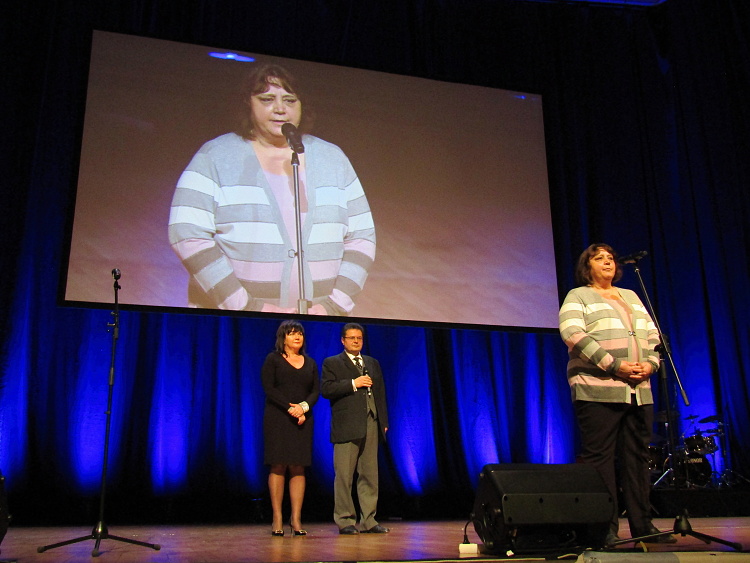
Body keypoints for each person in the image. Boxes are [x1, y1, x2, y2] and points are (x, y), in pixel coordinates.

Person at [168, 63, 376, 315]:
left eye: (290, 100)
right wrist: (245, 306)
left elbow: (362, 238)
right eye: (267, 99)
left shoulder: (332, 159)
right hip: (235, 321)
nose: (280, 109)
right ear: (248, 102)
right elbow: (187, 235)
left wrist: (333, 307)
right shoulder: (215, 156)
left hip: (319, 322)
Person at [559, 243, 676, 545]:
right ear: (587, 266)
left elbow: (653, 334)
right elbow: (573, 334)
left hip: (638, 390)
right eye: (599, 258)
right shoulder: (578, 296)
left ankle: (643, 526)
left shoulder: (631, 296)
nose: (607, 262)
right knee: (600, 460)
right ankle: (603, 529)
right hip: (597, 390)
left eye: (610, 258)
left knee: (637, 459)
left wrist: (650, 364)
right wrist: (614, 365)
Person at [321, 323, 390, 534]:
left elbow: (380, 392)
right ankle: (345, 520)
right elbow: (327, 389)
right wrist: (353, 383)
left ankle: (369, 520)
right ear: (343, 340)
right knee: (344, 475)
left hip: (371, 422)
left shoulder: (372, 362)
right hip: (347, 425)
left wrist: (383, 421)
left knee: (369, 474)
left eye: (359, 338)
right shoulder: (332, 362)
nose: (356, 341)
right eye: (351, 338)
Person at [261, 320, 319, 536]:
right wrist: (290, 408)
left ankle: (295, 519)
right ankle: (277, 517)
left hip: (302, 419)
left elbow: (315, 391)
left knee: (298, 467)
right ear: (283, 338)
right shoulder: (273, 359)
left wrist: (303, 408)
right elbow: (269, 388)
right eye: (292, 333)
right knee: (278, 465)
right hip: (278, 417)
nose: (297, 337)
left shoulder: (310, 362)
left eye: (300, 333)